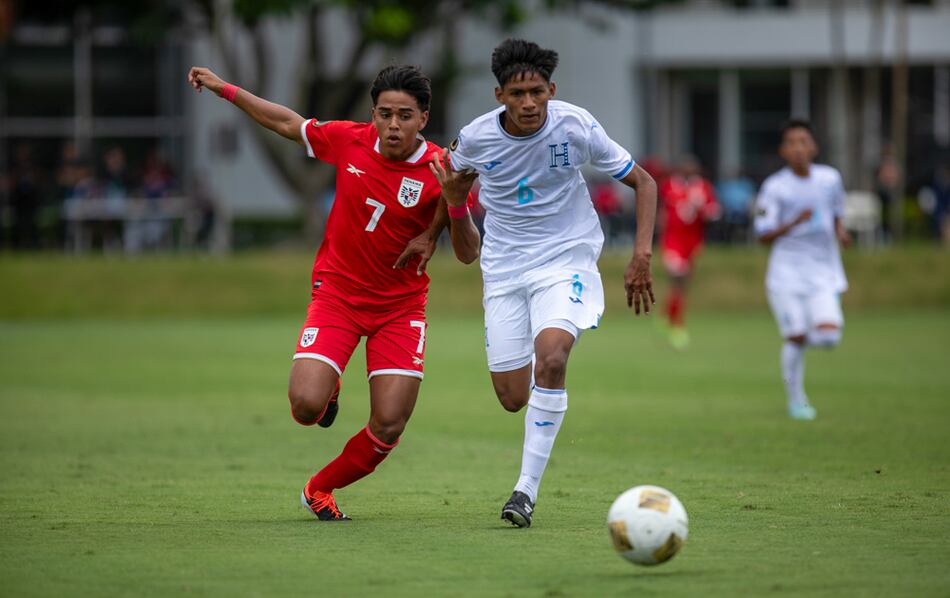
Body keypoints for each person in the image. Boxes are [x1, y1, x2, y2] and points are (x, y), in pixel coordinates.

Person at [187, 64, 479, 520]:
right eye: (385, 114)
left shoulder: (443, 169)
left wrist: (454, 208)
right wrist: (225, 89)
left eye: (404, 115)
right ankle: (331, 382)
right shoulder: (349, 139)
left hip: (400, 309)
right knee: (306, 406)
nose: (393, 125)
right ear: (373, 114)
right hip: (338, 296)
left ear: (423, 117)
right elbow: (285, 121)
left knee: (389, 423)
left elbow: (466, 254)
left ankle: (319, 488)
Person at [425, 39, 657, 528]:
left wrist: (641, 254)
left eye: (536, 92)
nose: (528, 103)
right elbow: (456, 206)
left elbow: (644, 182)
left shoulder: (576, 125)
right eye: (517, 93)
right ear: (498, 96)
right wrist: (442, 223)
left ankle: (524, 492)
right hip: (505, 268)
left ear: (551, 89)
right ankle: (542, 395)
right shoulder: (474, 140)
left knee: (552, 358)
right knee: (512, 396)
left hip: (566, 258)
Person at [753, 119, 850, 421]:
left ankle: (797, 333)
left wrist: (841, 230)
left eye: (803, 141)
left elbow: (835, 212)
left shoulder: (830, 179)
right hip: (786, 275)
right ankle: (797, 400)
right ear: (783, 150)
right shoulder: (775, 187)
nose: (798, 148)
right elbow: (762, 234)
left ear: (814, 147)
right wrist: (793, 223)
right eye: (792, 143)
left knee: (829, 338)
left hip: (823, 273)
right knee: (795, 337)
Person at [658, 155, 720, 349]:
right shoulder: (670, 185)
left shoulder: (703, 187)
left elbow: (713, 212)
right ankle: (676, 324)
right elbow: (663, 210)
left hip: (693, 242)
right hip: (673, 240)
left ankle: (667, 314)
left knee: (683, 284)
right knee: (678, 277)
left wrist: (703, 210)